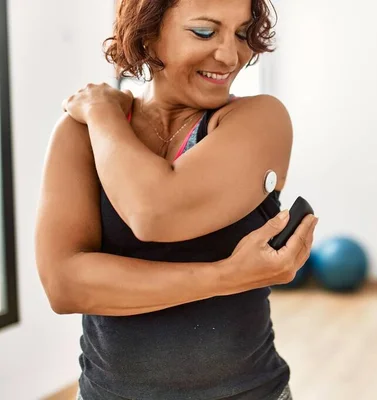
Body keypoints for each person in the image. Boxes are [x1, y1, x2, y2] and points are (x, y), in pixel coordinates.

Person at [34, 0, 318, 399]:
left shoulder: (260, 119)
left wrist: (102, 113)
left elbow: (154, 213)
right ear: (148, 34)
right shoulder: (80, 133)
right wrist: (227, 276)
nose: (229, 54)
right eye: (205, 32)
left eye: (241, 33)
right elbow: (64, 286)